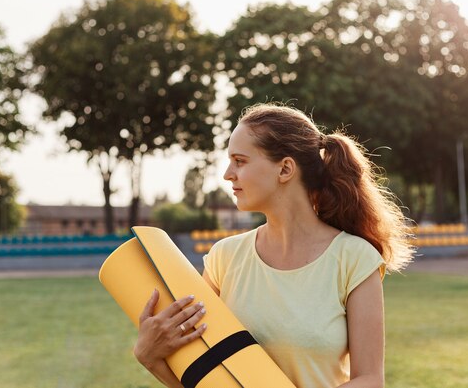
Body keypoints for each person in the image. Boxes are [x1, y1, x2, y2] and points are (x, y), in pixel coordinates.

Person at [133, 104, 414, 388]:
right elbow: (206, 379)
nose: (228, 174)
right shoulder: (224, 258)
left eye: (240, 161)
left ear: (285, 169)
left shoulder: (354, 258)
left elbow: (369, 380)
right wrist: (151, 358)